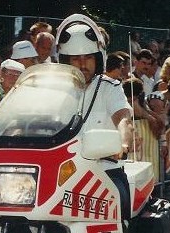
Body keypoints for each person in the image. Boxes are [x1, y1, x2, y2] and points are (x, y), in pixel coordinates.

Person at [55, 13, 134, 221]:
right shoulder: (53, 91)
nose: (82, 64)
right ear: (65, 60)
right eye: (75, 58)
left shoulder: (110, 88)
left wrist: (122, 144)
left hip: (105, 171)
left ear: (98, 58)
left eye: (88, 57)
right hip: (63, 174)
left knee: (119, 206)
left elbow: (124, 118)